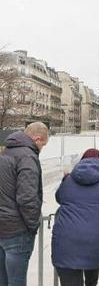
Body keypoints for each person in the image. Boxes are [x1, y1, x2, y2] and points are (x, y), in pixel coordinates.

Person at [51, 148, 99, 286]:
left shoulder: (69, 181)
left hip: (66, 240)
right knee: (92, 269)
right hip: (97, 240)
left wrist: (65, 179)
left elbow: (59, 198)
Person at [0, 122, 49, 286]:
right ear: (37, 139)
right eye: (43, 144)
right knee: (16, 281)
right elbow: (27, 198)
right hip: (17, 230)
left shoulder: (5, 152)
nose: (42, 148)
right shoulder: (27, 157)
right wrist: (33, 224)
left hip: (2, 226)